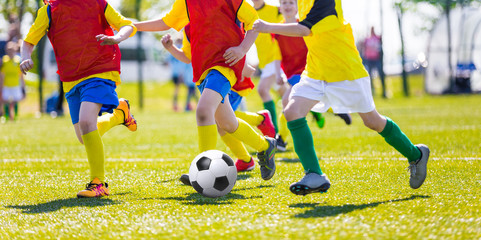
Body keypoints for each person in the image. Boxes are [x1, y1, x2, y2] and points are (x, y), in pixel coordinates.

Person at [253, 0, 430, 195]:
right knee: (292, 111)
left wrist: (266, 26)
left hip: (344, 69)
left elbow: (304, 29)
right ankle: (314, 174)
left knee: (372, 121)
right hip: (316, 71)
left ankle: (416, 154)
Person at [135, 0, 277, 181]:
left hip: (225, 65)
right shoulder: (186, 6)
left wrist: (242, 49)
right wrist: (133, 27)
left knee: (203, 111)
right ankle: (265, 146)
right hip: (204, 74)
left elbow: (254, 22)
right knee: (227, 124)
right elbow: (170, 30)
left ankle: (201, 171)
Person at [20, 0, 138, 198]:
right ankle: (120, 114)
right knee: (84, 136)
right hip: (71, 79)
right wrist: (25, 56)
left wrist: (118, 37)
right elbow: (28, 42)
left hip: (100, 70)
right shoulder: (49, 11)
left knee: (85, 121)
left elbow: (128, 25)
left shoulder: (98, 4)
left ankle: (98, 183)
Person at [161, 29, 275, 177]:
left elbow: (240, 34)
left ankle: (258, 125)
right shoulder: (190, 27)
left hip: (231, 78)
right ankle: (247, 157)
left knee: (223, 121)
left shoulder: (218, 15)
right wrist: (171, 48)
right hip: (210, 79)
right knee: (223, 123)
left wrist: (243, 63)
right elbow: (188, 56)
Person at [273, 0, 352, 149]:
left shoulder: (304, 25)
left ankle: (282, 139)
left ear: (297, 8)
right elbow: (276, 55)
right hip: (291, 73)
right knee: (305, 100)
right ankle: (334, 108)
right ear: (280, 7)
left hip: (308, 70)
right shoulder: (277, 30)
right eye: (284, 3)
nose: (288, 6)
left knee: (286, 101)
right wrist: (279, 74)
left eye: (291, 2)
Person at [251, 0, 289, 150]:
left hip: (276, 58)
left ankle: (274, 134)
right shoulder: (248, 13)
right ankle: (313, 111)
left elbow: (289, 21)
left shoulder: (276, 10)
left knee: (262, 89)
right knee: (287, 95)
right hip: (263, 61)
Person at [1, 41, 25, 122]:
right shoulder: (4, 61)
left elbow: (21, 75)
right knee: (6, 101)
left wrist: (23, 86)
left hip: (15, 85)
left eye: (11, 50)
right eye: (8, 50)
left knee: (15, 100)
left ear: (15, 50)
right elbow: (2, 75)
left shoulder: (18, 61)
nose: (10, 52)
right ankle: (7, 116)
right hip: (6, 85)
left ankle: (15, 116)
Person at [362, 26, 386, 98]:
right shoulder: (367, 39)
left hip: (376, 59)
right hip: (369, 59)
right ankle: (371, 91)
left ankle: (383, 91)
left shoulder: (377, 38)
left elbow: (381, 43)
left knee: (380, 74)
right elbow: (364, 47)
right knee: (369, 77)